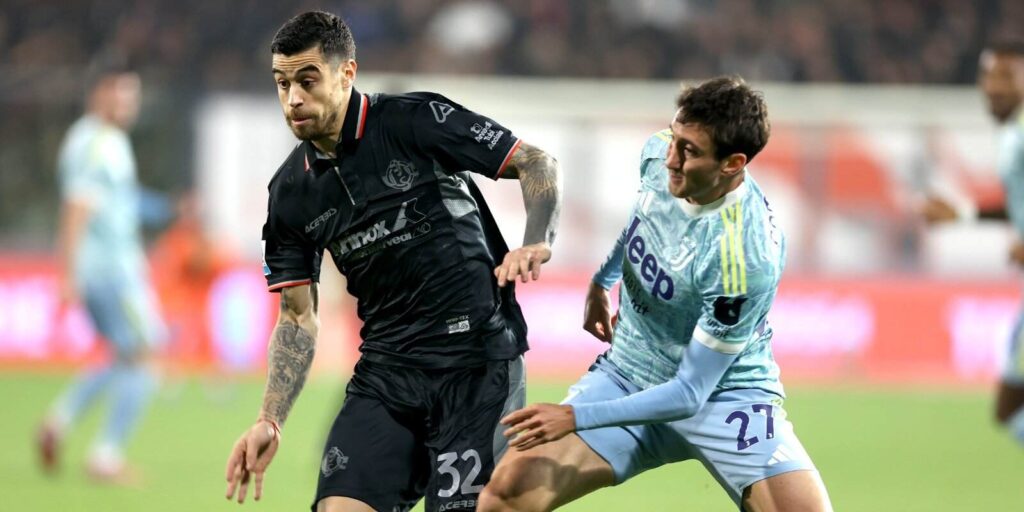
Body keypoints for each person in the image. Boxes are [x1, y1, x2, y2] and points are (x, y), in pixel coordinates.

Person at [222, 11, 562, 512]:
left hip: (475, 367)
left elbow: (535, 162)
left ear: (347, 73)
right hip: (386, 374)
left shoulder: (412, 121)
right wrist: (269, 418)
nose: (293, 98)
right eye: (282, 83)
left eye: (308, 80)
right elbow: (296, 317)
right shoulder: (290, 194)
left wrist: (536, 239)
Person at [478, 77, 832, 512]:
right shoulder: (659, 153)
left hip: (723, 396)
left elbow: (689, 394)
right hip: (630, 371)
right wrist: (600, 281)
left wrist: (573, 417)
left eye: (690, 151)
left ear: (733, 163)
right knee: (506, 496)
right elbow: (643, 218)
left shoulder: (744, 257)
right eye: (674, 137)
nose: (671, 159)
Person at [36, 51, 168, 484]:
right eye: (123, 94)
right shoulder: (93, 143)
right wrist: (66, 274)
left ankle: (59, 420)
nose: (130, 103)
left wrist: (170, 209)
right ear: (101, 93)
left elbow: (123, 205)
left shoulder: (105, 140)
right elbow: (76, 207)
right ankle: (106, 456)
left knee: (123, 355)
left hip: (108, 269)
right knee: (147, 353)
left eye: (134, 95)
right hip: (111, 272)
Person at [921, 37, 1024, 447]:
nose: (993, 86)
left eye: (1006, 76)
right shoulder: (1012, 133)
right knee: (1007, 409)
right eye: (988, 76)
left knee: (1010, 408)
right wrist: (963, 213)